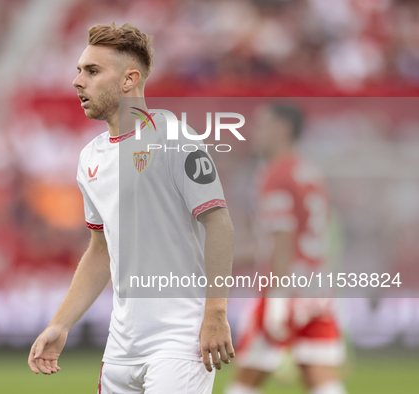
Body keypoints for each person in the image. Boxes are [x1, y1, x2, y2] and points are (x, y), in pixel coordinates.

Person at [28, 23, 235, 393]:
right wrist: (60, 323)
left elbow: (219, 223)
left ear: (129, 80)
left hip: (180, 341)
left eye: (91, 71)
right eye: (78, 70)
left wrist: (216, 313)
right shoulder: (90, 157)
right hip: (122, 347)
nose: (77, 81)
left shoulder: (175, 138)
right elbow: (100, 251)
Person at [226, 104, 347, 394]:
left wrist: (277, 298)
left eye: (262, 124)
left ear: (283, 129)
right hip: (316, 287)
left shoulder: (276, 173)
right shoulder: (309, 171)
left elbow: (283, 239)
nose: (255, 132)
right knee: (321, 376)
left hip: (286, 285)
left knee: (247, 377)